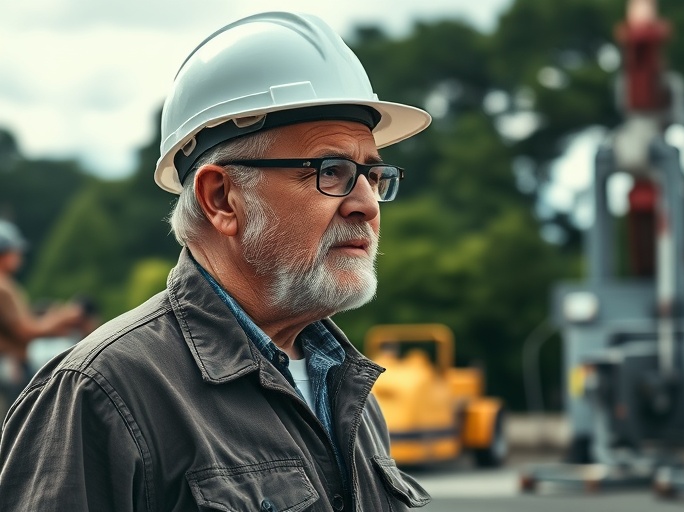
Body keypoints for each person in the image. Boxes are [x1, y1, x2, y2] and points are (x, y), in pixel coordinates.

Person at [0, 12, 432, 511]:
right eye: (331, 171)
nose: (367, 204)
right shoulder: (104, 393)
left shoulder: (350, 392)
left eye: (373, 177)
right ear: (221, 198)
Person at [0, 220, 84, 403]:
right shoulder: (3, 286)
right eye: (15, 250)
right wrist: (61, 317)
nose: (19, 255)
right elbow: (24, 331)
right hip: (11, 367)